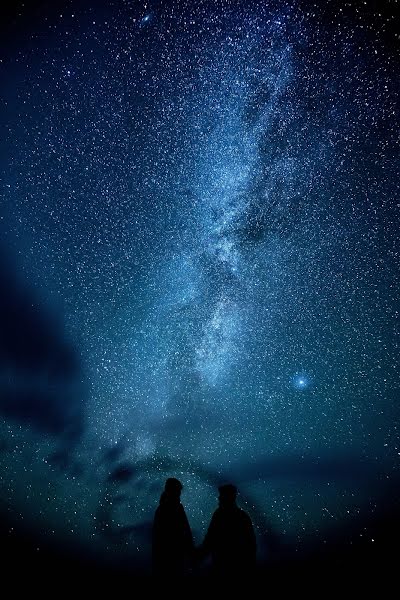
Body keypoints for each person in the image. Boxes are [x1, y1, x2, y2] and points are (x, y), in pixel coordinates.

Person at [197, 483, 257, 578]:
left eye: (221, 495)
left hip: (223, 563)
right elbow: (251, 544)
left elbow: (210, 538)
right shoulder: (242, 516)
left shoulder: (219, 514)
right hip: (237, 565)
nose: (219, 498)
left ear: (228, 497)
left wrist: (199, 555)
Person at [152, 477, 194, 577]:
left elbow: (186, 529)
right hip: (169, 554)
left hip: (173, 553)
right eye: (177, 491)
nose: (179, 494)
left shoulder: (174, 507)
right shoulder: (165, 509)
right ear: (171, 491)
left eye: (179, 491)